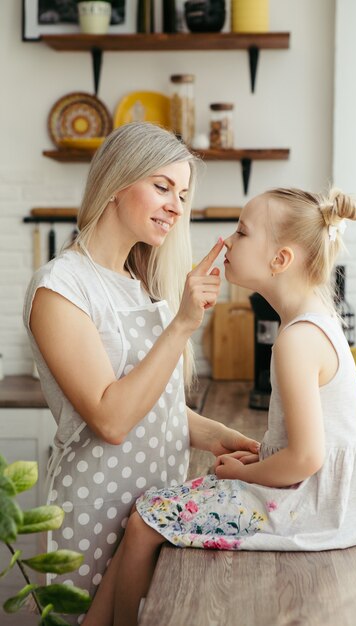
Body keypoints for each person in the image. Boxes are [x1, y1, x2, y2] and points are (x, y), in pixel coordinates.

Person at [106, 186, 356, 626]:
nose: (228, 241)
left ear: (279, 260)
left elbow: (308, 457)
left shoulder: (295, 341)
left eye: (241, 232)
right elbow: (312, 444)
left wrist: (243, 474)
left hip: (317, 506)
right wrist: (263, 458)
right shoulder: (316, 321)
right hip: (345, 501)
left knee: (145, 519)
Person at [23, 121, 259, 626]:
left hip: (153, 502)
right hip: (94, 507)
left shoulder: (139, 282)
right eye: (162, 186)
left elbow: (157, 402)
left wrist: (223, 437)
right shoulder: (61, 287)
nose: (177, 205)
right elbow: (111, 419)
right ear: (116, 181)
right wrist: (183, 325)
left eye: (183, 193)